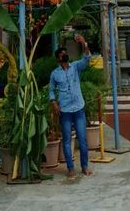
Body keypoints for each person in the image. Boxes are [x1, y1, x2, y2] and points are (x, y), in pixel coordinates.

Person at [49, 34, 92, 178]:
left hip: (79, 108)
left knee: (83, 139)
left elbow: (87, 59)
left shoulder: (75, 67)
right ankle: (70, 168)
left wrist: (83, 43)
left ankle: (85, 166)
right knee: (67, 140)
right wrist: (54, 103)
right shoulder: (54, 74)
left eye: (65, 53)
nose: (64, 55)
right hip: (65, 111)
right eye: (61, 55)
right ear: (58, 59)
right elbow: (51, 90)